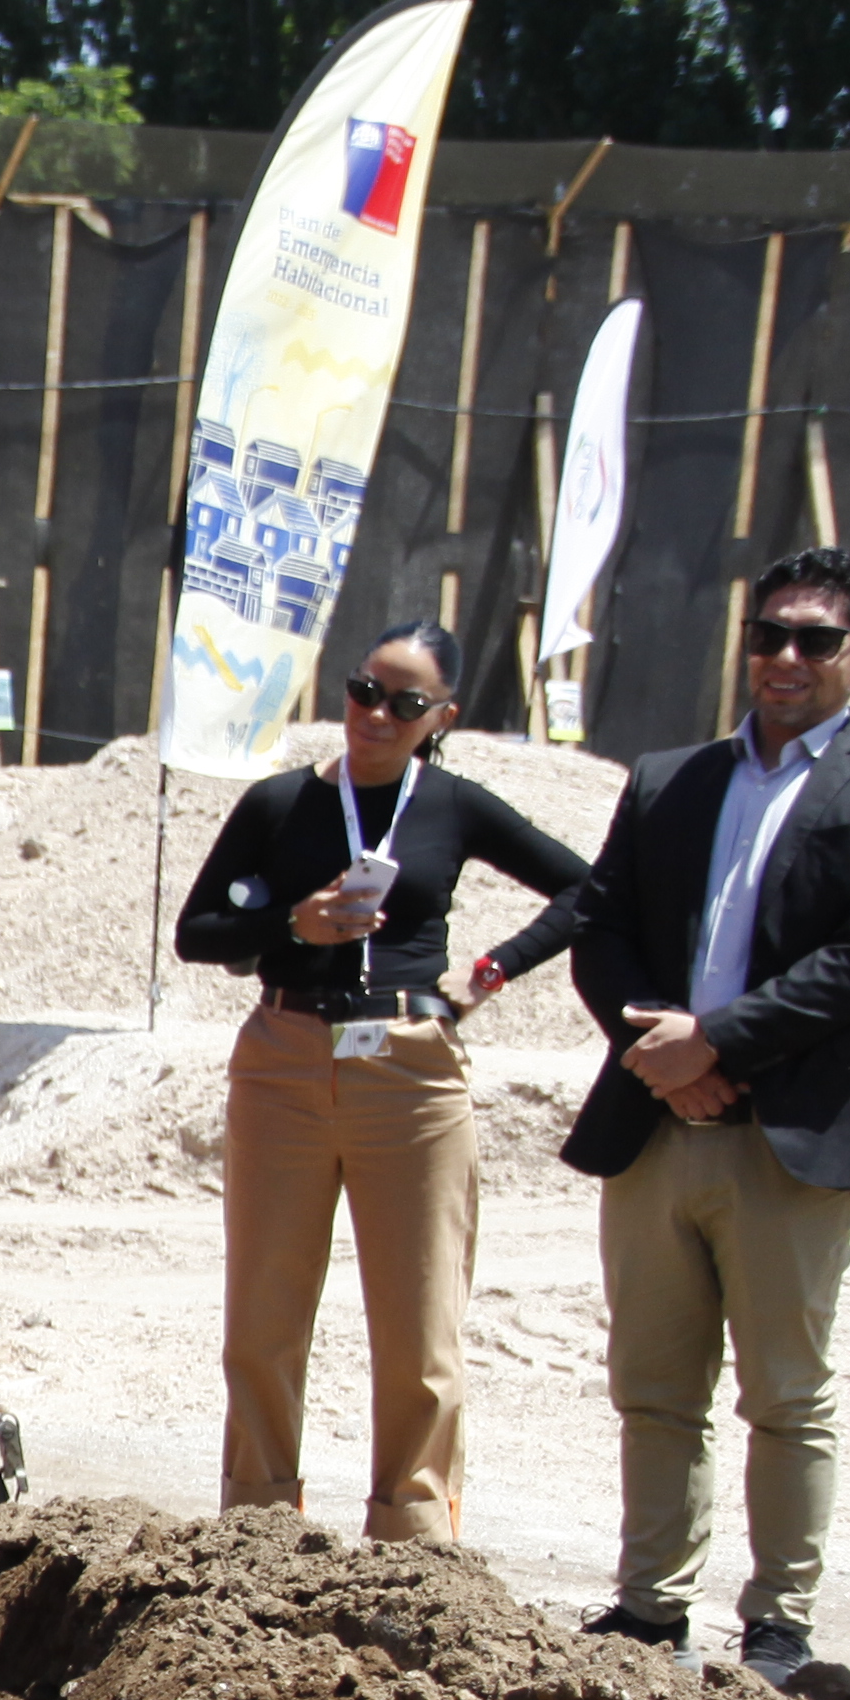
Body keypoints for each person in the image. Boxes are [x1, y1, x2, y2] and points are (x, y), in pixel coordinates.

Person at [489, 547, 850, 1684]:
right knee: (652, 1385)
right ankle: (651, 1610)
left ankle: (779, 1628)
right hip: (658, 1122)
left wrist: (721, 1043)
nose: (786, 658)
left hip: (790, 1129)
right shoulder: (670, 778)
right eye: (769, 635)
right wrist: (661, 1055)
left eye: (816, 639)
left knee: (785, 1394)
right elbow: (600, 922)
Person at [166, 621, 592, 1542]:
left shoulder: (455, 805)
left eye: (404, 703)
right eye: (364, 691)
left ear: (443, 715)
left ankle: (414, 1531)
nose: (375, 715)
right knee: (263, 1321)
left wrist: (491, 971)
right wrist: (292, 926)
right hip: (283, 1057)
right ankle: (259, 1527)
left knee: (420, 1324)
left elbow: (585, 890)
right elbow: (196, 933)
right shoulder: (280, 802)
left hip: (410, 1064)